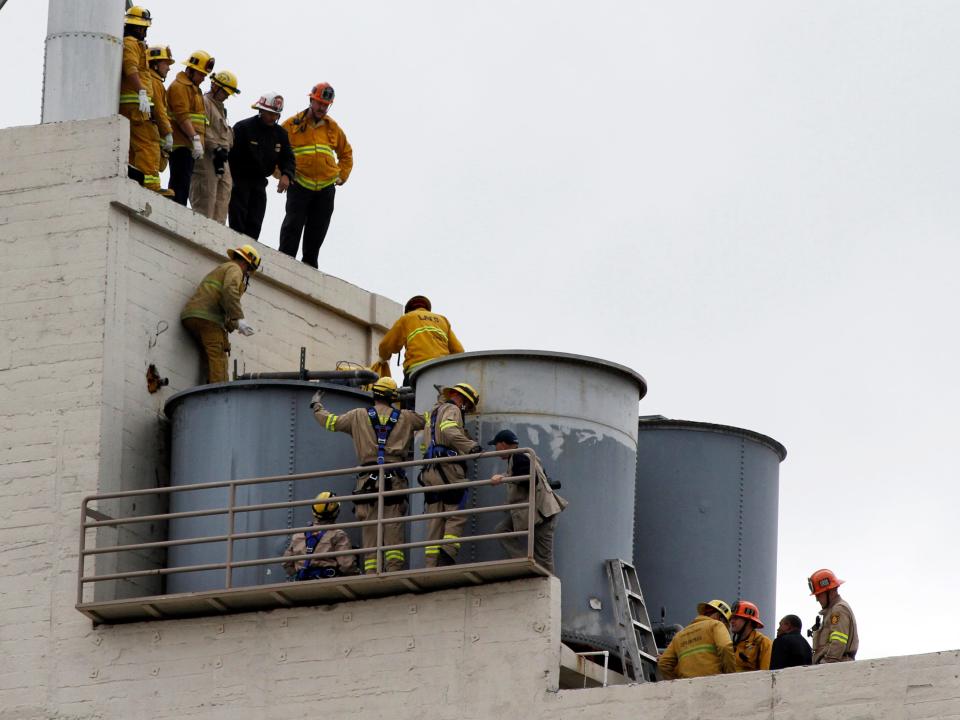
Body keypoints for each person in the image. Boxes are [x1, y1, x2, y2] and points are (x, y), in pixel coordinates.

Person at [309, 377, 426, 574]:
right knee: (393, 527)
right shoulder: (406, 417)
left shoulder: (356, 416)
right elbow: (429, 419)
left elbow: (331, 422)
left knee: (370, 528)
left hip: (367, 483)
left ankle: (371, 573)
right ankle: (394, 571)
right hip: (394, 481)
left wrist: (316, 406)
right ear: (393, 397)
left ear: (374, 394)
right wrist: (442, 401)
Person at [278, 82, 353, 267]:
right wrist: (282, 175)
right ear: (311, 100)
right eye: (319, 103)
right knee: (292, 227)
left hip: (325, 189)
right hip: (299, 184)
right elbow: (275, 150)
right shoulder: (291, 124)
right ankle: (284, 264)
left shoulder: (332, 127)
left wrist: (341, 176)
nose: (322, 108)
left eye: (326, 105)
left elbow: (346, 154)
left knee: (317, 231)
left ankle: (309, 267)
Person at [419, 383, 482, 567]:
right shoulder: (453, 409)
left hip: (429, 470)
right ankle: (448, 552)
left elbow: (424, 445)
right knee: (457, 511)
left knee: (435, 518)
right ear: (461, 398)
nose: (467, 409)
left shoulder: (432, 413)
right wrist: (470, 446)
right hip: (448, 467)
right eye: (468, 405)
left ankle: (431, 563)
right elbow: (449, 430)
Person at [488, 429, 567, 573]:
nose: (496, 450)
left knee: (544, 557)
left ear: (504, 445)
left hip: (543, 514)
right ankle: (526, 563)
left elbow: (531, 479)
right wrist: (505, 477)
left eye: (496, 445)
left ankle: (547, 582)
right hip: (532, 512)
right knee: (502, 530)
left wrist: (505, 479)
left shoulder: (519, 457)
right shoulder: (524, 456)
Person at [179, 244, 260, 384]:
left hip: (193, 315)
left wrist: (235, 324)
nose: (247, 274)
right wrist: (239, 318)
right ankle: (219, 392)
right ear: (246, 263)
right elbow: (230, 290)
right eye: (249, 270)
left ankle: (207, 388)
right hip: (207, 319)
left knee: (210, 357)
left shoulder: (223, 268)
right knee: (219, 357)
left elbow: (223, 301)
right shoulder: (235, 269)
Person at [228, 93, 296, 240]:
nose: (273, 118)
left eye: (276, 115)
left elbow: (288, 158)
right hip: (240, 180)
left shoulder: (281, 134)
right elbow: (230, 156)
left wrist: (287, 174)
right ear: (261, 110)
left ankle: (248, 253)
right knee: (237, 220)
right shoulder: (243, 128)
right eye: (270, 113)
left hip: (260, 183)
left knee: (255, 221)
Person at [118, 6, 161, 192]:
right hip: (135, 103)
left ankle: (139, 182)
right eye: (142, 27)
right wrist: (141, 92)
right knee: (146, 144)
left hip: (137, 103)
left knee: (137, 146)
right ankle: (151, 185)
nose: (144, 31)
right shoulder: (130, 43)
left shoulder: (137, 45)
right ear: (135, 27)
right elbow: (131, 68)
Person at [377, 296, 464, 386]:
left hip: (417, 372)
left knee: (411, 398)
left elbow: (386, 345)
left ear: (409, 310)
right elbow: (459, 351)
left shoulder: (407, 318)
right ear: (427, 309)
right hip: (442, 371)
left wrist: (383, 358)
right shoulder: (443, 320)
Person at [167, 50, 215, 205]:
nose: (202, 79)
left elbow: (198, 120)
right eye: (201, 74)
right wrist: (195, 138)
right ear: (191, 70)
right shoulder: (179, 87)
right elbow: (182, 116)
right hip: (180, 144)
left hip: (189, 146)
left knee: (184, 182)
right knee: (179, 182)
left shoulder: (193, 89)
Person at [190, 71, 239, 222]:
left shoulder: (220, 110)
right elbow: (202, 129)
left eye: (228, 93)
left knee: (223, 195)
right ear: (214, 85)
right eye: (225, 92)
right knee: (206, 196)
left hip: (221, 158)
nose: (226, 96)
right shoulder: (204, 103)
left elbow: (225, 137)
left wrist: (223, 150)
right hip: (206, 157)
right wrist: (216, 148)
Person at [282, 492, 359, 580]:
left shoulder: (298, 535)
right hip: (328, 583)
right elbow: (346, 565)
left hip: (302, 583)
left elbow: (286, 563)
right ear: (336, 512)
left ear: (313, 511)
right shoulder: (338, 535)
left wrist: (300, 573)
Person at [658, 599, 736, 680]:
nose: (727, 628)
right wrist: (730, 676)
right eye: (727, 623)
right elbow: (725, 647)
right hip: (713, 683)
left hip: (687, 688)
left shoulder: (679, 635)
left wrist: (677, 683)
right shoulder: (717, 625)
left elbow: (663, 663)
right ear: (720, 617)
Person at [808, 568, 859, 664]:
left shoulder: (838, 609)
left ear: (829, 591)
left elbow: (838, 643)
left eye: (818, 595)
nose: (817, 599)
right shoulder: (832, 611)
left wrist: (826, 663)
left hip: (835, 667)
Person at [145, 44, 176, 195]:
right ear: (155, 64)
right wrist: (168, 133)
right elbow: (159, 111)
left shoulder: (153, 80)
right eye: (166, 64)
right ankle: (152, 187)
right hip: (148, 125)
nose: (169, 68)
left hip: (148, 124)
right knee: (150, 155)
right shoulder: (155, 82)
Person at [729, 600, 772, 672]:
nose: (731, 621)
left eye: (736, 618)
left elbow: (765, 674)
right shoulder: (733, 645)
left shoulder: (763, 642)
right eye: (731, 618)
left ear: (748, 622)